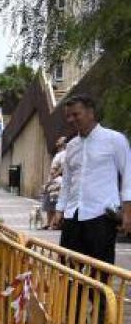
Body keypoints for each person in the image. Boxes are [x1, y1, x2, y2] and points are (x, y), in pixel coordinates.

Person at [50, 95, 131, 264]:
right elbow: (67, 182)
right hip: (73, 216)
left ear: (90, 113)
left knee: (100, 272)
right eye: (68, 116)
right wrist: (59, 210)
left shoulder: (114, 140)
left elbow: (128, 177)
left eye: (75, 114)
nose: (71, 119)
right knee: (68, 272)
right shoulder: (72, 146)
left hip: (101, 216)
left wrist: (127, 213)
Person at [41, 136, 67, 228]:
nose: (57, 140)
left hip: (58, 181)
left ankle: (55, 223)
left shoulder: (64, 153)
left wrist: (56, 174)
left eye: (60, 140)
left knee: (54, 202)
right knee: (49, 202)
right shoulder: (58, 153)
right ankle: (49, 223)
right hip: (53, 180)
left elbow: (63, 166)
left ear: (64, 143)